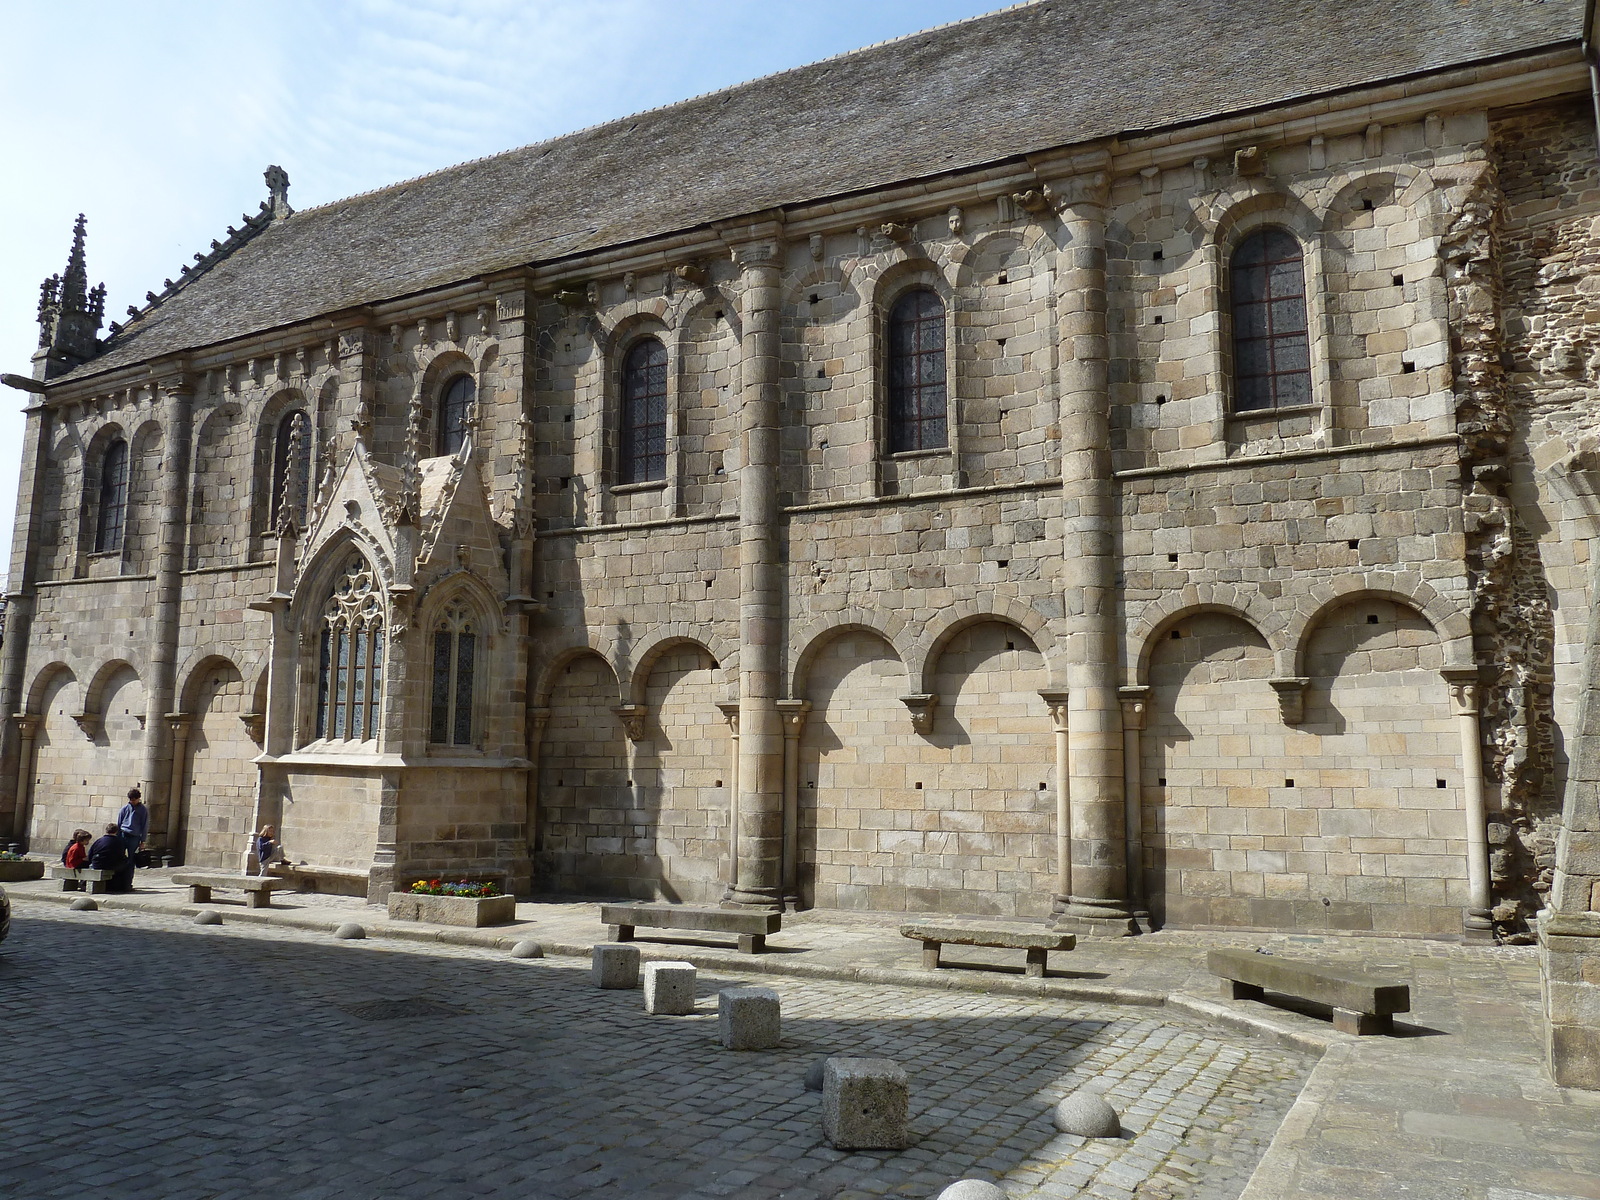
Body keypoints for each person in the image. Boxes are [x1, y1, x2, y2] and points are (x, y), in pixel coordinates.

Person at [87, 823, 132, 893]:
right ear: (116, 831)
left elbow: (90, 854)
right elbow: (121, 855)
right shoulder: (119, 842)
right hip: (111, 865)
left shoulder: (98, 841)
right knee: (128, 864)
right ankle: (126, 886)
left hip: (97, 864)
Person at [117, 787, 148, 871]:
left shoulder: (143, 810)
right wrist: (117, 837)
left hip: (134, 836)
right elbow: (119, 823)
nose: (133, 802)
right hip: (124, 834)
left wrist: (143, 841)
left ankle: (128, 878)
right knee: (120, 856)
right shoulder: (124, 809)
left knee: (131, 858)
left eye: (134, 800)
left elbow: (144, 825)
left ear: (138, 798)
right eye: (131, 800)